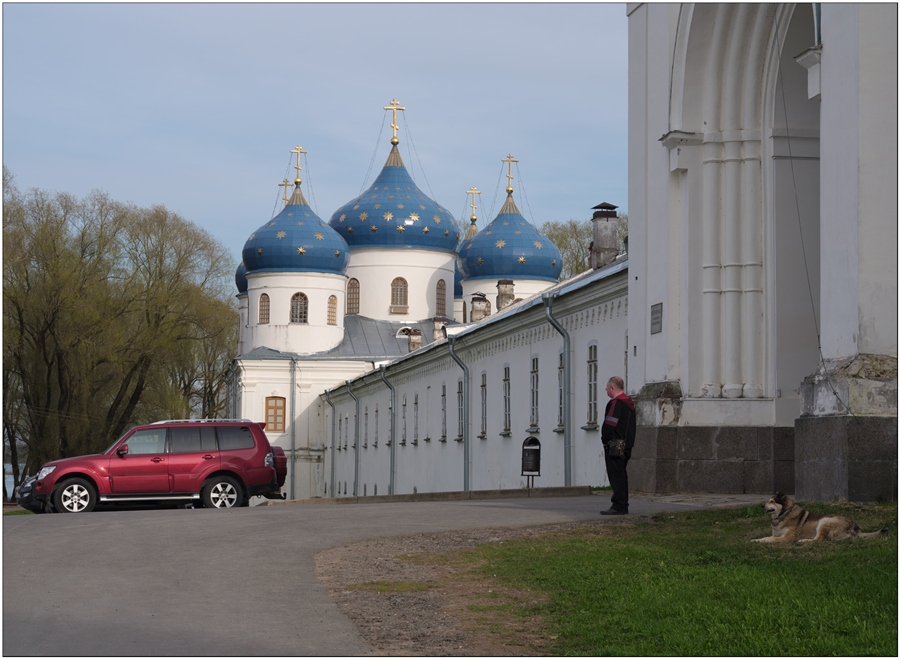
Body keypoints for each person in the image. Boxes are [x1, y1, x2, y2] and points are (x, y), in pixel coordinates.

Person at [600, 376, 636, 515]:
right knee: (622, 475)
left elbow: (610, 424)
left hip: (615, 445)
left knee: (616, 476)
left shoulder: (616, 403)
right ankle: (622, 503)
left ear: (613, 388)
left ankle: (618, 505)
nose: (606, 390)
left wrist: (606, 440)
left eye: (607, 387)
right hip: (627, 445)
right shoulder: (629, 404)